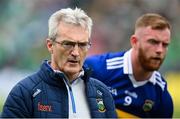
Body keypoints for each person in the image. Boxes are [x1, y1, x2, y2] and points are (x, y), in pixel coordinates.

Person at [1, 8, 117, 118]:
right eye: (68, 44)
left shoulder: (102, 92)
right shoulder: (24, 91)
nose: (76, 52)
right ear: (50, 45)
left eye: (82, 45)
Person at [85, 13, 173, 118]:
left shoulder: (161, 97)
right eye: (153, 42)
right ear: (134, 42)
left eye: (165, 44)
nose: (160, 50)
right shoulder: (98, 69)